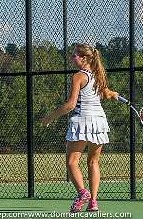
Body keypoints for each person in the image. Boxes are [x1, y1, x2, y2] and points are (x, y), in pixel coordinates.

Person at [42, 44, 119, 212]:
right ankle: (93, 202)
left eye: (75, 55)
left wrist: (50, 117)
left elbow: (70, 105)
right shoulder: (99, 76)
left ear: (83, 58)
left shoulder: (78, 76)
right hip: (99, 121)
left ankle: (83, 193)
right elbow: (105, 93)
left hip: (82, 120)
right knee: (93, 161)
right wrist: (113, 94)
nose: (72, 58)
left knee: (71, 162)